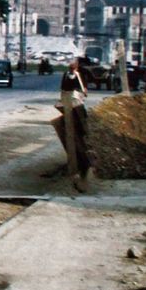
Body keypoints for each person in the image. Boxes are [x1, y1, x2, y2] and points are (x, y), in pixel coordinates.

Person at [55, 58, 91, 191]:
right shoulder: (68, 74)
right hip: (70, 99)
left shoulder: (78, 74)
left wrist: (82, 91)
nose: (72, 67)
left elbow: (82, 86)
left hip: (75, 99)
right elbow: (66, 86)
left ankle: (80, 169)